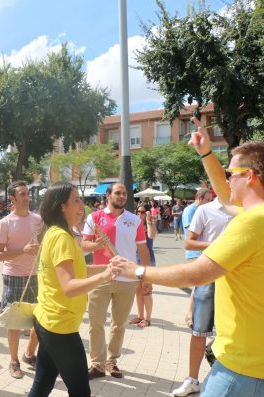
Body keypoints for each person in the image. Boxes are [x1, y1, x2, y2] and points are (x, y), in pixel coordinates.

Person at [111, 117, 264, 397]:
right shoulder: (255, 215)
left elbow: (197, 274)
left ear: (250, 177)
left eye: (232, 174)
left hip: (243, 367)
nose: (227, 179)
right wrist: (206, 153)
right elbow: (227, 196)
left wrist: (138, 271)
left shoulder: (252, 222)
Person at [28, 183, 120, 397]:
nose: (82, 205)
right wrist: (105, 276)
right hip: (60, 327)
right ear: (62, 207)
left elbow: (77, 268)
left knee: (42, 384)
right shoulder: (61, 237)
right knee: (80, 392)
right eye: (77, 200)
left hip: (49, 321)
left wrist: (108, 267)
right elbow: (69, 287)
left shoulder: (56, 233)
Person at [81, 183, 151, 379]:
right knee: (96, 323)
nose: (122, 196)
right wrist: (96, 245)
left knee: (119, 324)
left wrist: (146, 277)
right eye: (118, 193)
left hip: (127, 279)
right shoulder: (94, 217)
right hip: (100, 278)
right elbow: (84, 245)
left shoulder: (134, 220)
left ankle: (112, 361)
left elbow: (143, 249)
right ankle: (97, 364)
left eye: (124, 193)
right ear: (108, 195)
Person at [171, 197, 232, 396]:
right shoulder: (205, 210)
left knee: (235, 327)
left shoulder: (244, 209)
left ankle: (226, 371)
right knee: (199, 329)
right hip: (210, 273)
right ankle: (192, 379)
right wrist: (215, 244)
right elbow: (188, 242)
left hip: (237, 277)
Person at [0, 181, 42, 379]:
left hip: (36, 275)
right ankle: (13, 360)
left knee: (41, 320)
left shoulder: (38, 219)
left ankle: (29, 354)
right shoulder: (4, 223)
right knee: (14, 322)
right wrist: (22, 251)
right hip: (13, 276)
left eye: (27, 194)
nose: (27, 197)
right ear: (12, 199)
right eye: (22, 194)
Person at [180, 188, 213, 327]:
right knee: (199, 284)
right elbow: (191, 234)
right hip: (195, 252)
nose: (209, 203)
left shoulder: (201, 210)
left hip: (201, 252)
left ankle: (191, 314)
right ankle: (190, 314)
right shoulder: (190, 210)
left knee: (199, 284)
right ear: (199, 198)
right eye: (207, 200)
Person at [128, 205, 156, 328]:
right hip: (136, 262)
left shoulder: (149, 225)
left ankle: (148, 319)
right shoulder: (134, 225)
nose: (139, 214)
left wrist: (149, 221)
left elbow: (151, 235)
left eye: (142, 212)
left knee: (146, 291)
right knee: (138, 290)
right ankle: (140, 316)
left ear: (146, 213)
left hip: (148, 262)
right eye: (137, 211)